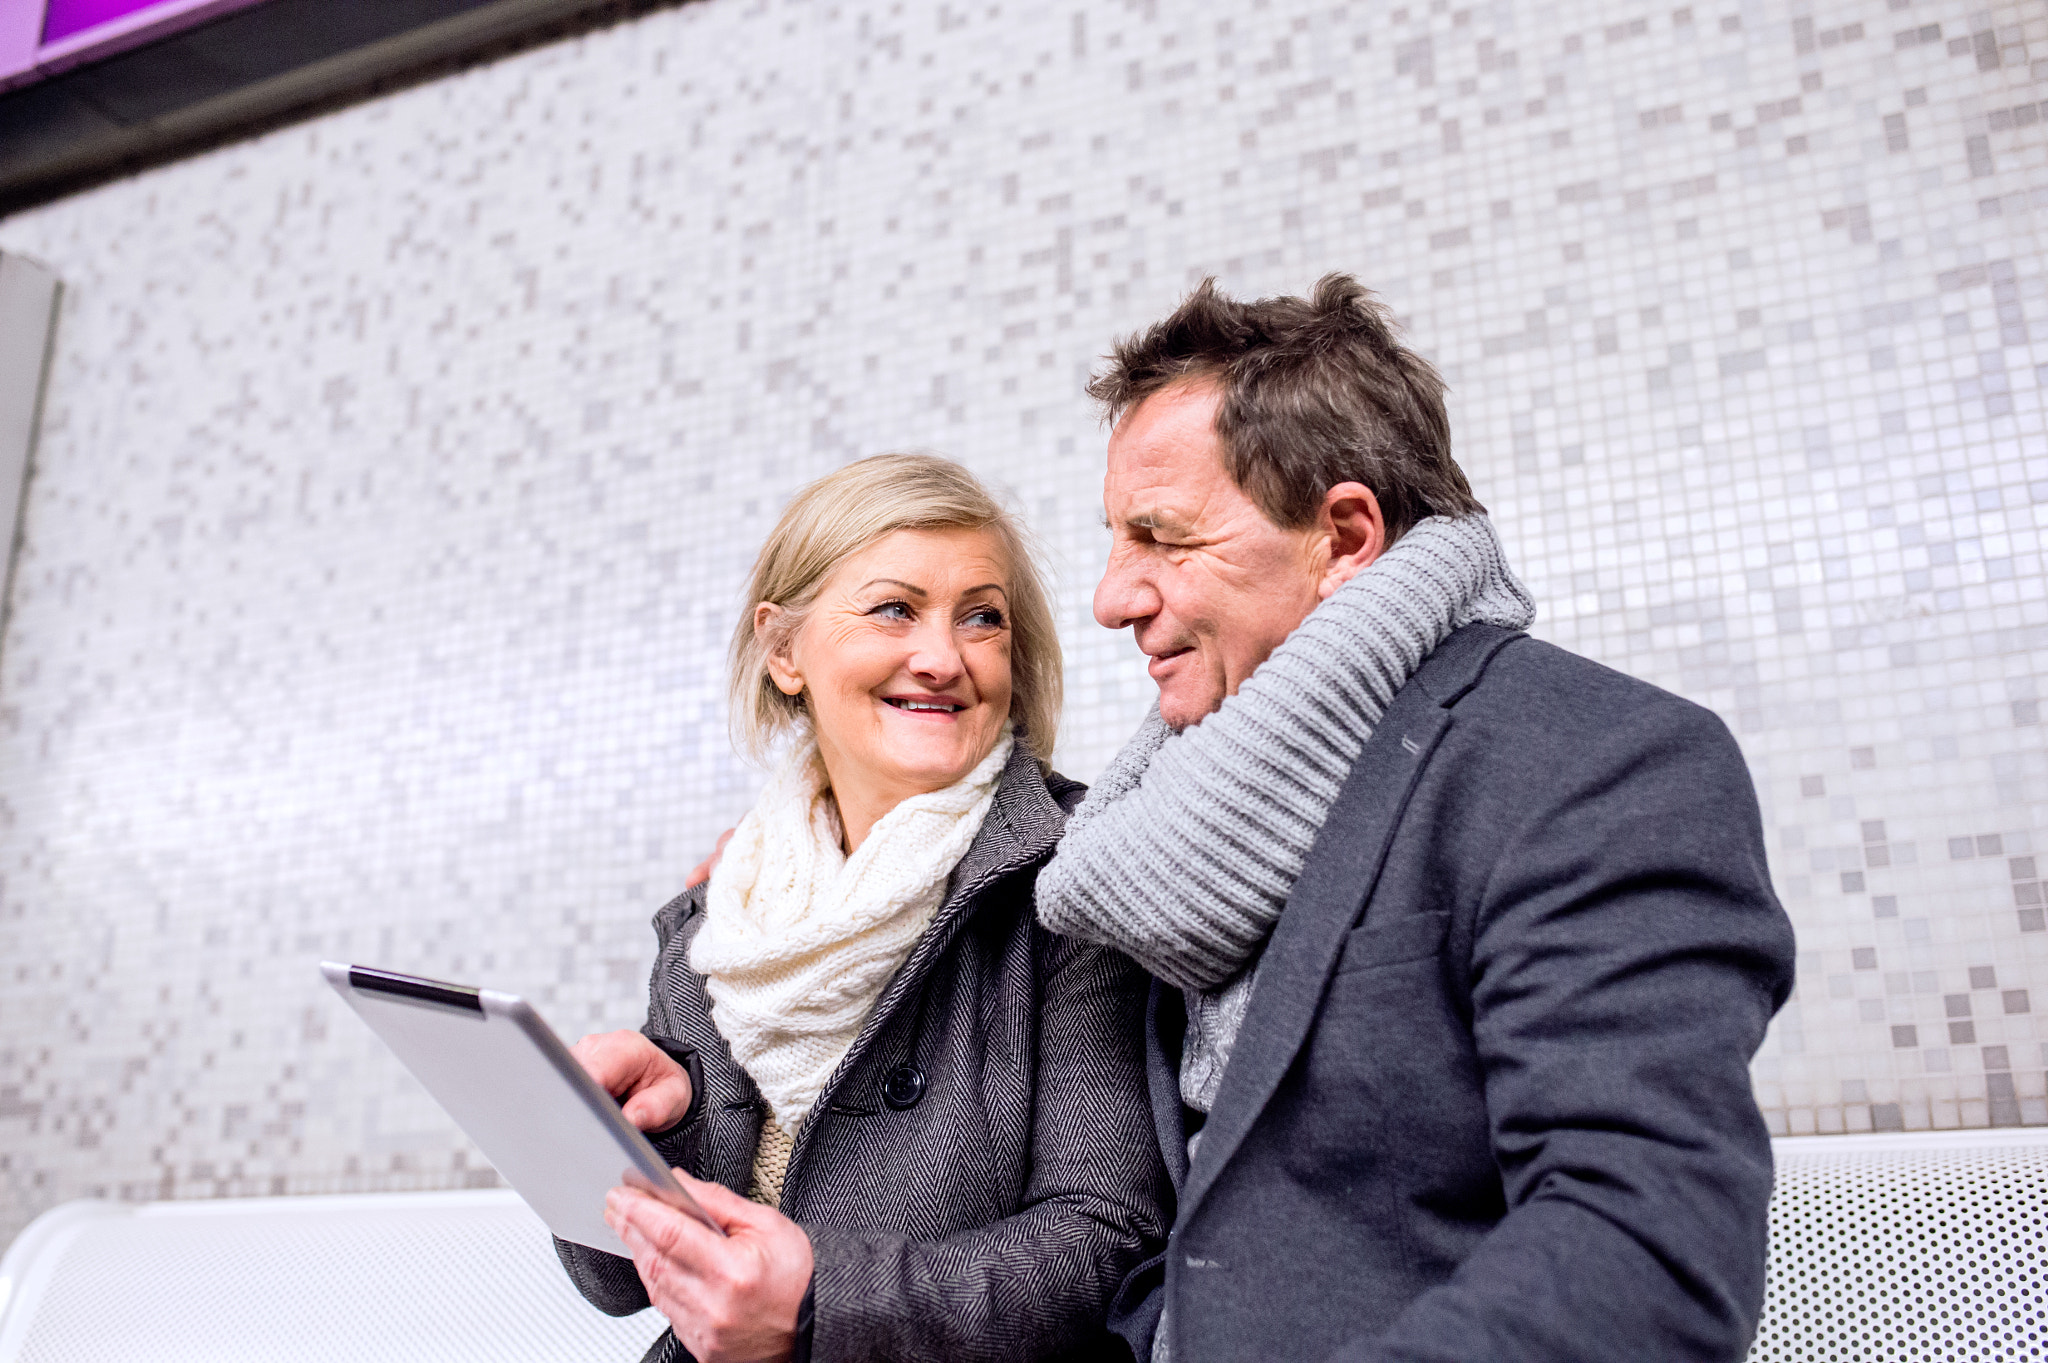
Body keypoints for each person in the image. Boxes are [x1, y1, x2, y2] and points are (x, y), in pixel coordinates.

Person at [1035, 275, 1798, 1362]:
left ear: (1343, 535)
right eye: (1117, 539)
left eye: (1161, 537)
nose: (1112, 596)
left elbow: (1639, 1252)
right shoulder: (1176, 828)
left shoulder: (1595, 763)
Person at [559, 452, 1167, 1363]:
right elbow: (612, 1284)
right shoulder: (719, 922)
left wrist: (819, 1306)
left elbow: (1108, 1240)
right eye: (894, 608)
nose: (942, 657)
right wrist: (646, 1129)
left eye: (982, 618)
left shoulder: (1075, 881)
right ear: (784, 651)